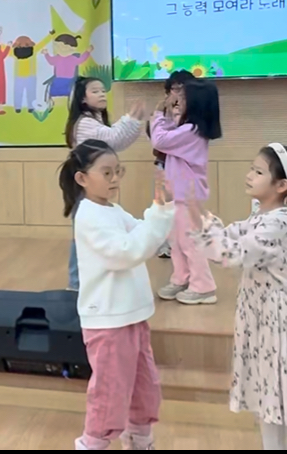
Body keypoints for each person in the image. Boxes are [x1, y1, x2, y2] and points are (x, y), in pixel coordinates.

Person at [187, 143, 287, 450]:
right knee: (269, 404)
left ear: (282, 185)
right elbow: (232, 234)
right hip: (261, 319)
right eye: (252, 168)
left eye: (259, 172)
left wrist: (196, 217)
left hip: (281, 322)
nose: (250, 175)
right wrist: (201, 217)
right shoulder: (261, 215)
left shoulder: (278, 223)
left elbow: (232, 253)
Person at [59, 139, 175, 450]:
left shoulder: (111, 209)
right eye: (106, 173)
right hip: (108, 322)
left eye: (118, 171)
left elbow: (141, 233)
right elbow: (126, 251)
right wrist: (159, 214)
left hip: (132, 316)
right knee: (109, 396)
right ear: (82, 178)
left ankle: (140, 441)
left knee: (144, 389)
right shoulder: (87, 215)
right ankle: (92, 444)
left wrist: (162, 207)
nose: (114, 179)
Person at [64, 76, 149, 291]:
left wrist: (133, 121)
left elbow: (116, 142)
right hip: (84, 186)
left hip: (87, 186)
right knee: (81, 237)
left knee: (86, 235)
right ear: (82, 99)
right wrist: (131, 118)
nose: (102, 94)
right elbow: (112, 139)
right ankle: (75, 284)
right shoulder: (84, 123)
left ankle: (82, 281)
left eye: (103, 90)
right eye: (95, 91)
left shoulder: (94, 121)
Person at [151, 78, 222, 305]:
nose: (177, 101)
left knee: (190, 242)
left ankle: (203, 286)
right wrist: (166, 115)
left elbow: (160, 140)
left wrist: (158, 113)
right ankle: (181, 278)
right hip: (180, 196)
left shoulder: (192, 131)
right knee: (177, 241)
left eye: (182, 98)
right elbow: (167, 134)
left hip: (188, 197)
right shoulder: (187, 128)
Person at [150, 70, 196, 259]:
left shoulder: (193, 113)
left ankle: (184, 245)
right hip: (163, 163)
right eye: (174, 89)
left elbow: (172, 139)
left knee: (184, 207)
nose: (178, 93)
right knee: (163, 205)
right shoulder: (162, 110)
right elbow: (155, 138)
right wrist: (162, 113)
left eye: (183, 89)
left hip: (185, 167)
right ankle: (165, 245)